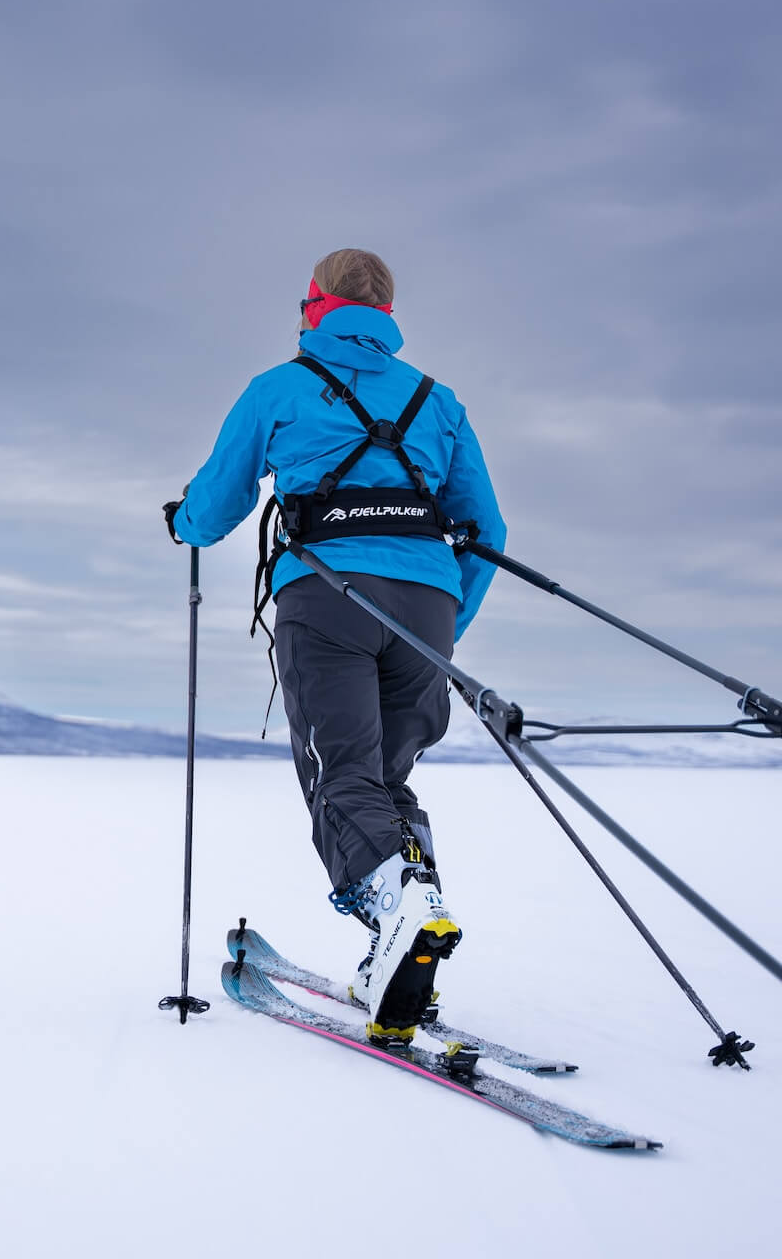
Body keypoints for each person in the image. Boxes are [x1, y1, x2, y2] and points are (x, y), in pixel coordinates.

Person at [164, 247, 505, 1044]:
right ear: (386, 316)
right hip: (427, 611)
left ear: (314, 305)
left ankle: (401, 912)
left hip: (327, 599)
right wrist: (446, 623)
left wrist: (182, 521)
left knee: (341, 774)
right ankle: (402, 950)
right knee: (385, 780)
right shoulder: (437, 400)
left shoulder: (279, 388)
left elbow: (217, 506)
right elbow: (485, 530)